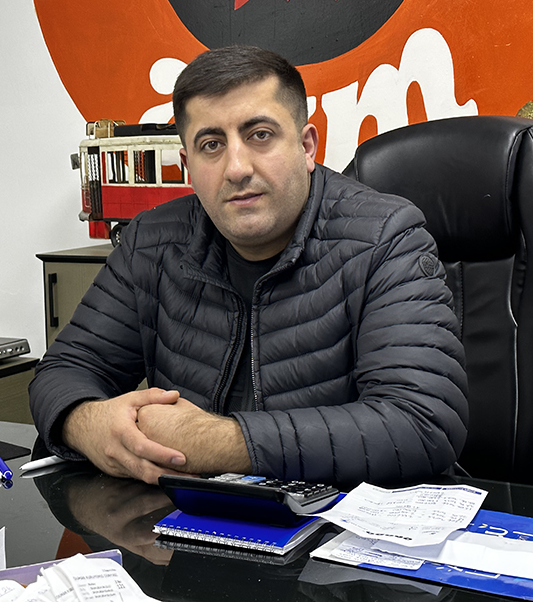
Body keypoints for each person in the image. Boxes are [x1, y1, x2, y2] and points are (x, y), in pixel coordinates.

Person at [29, 45, 469, 487]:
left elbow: (421, 423)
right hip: (188, 516)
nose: (236, 168)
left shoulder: (385, 237)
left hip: (338, 520)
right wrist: (90, 423)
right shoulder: (151, 242)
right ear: (188, 166)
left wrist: (212, 441)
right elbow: (64, 370)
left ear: (306, 146)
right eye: (211, 145)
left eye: (260, 135)